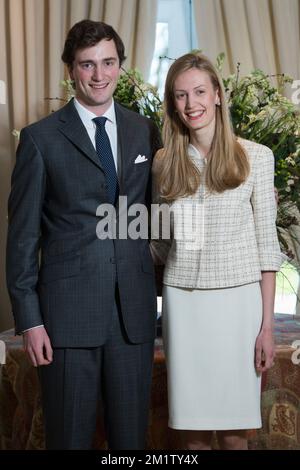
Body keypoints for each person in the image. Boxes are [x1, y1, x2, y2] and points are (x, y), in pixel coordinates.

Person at [6, 19, 161, 450]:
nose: (99, 75)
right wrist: (30, 320)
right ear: (71, 69)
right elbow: (22, 237)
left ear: (120, 66)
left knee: (131, 441)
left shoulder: (144, 130)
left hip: (133, 315)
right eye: (87, 64)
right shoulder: (40, 140)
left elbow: (161, 215)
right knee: (69, 438)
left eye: (108, 63)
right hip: (65, 319)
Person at [151, 52, 283, 450]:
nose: (191, 104)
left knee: (234, 433)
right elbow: (159, 243)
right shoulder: (163, 162)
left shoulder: (257, 157)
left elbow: (266, 247)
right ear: (172, 104)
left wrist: (266, 327)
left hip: (239, 305)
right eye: (180, 95)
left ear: (218, 95)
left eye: (199, 92)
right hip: (184, 302)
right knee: (192, 434)